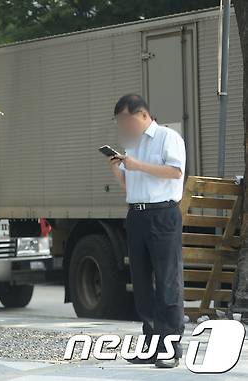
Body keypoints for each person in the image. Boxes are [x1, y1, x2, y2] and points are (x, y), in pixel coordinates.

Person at [107, 94, 186, 369]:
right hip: (136, 214)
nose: (124, 127)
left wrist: (136, 165)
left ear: (141, 115)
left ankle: (170, 347)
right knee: (141, 283)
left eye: (125, 121)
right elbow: (131, 187)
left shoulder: (167, 137)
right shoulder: (133, 144)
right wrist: (118, 170)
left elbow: (176, 172)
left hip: (162, 214)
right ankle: (151, 344)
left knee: (167, 281)